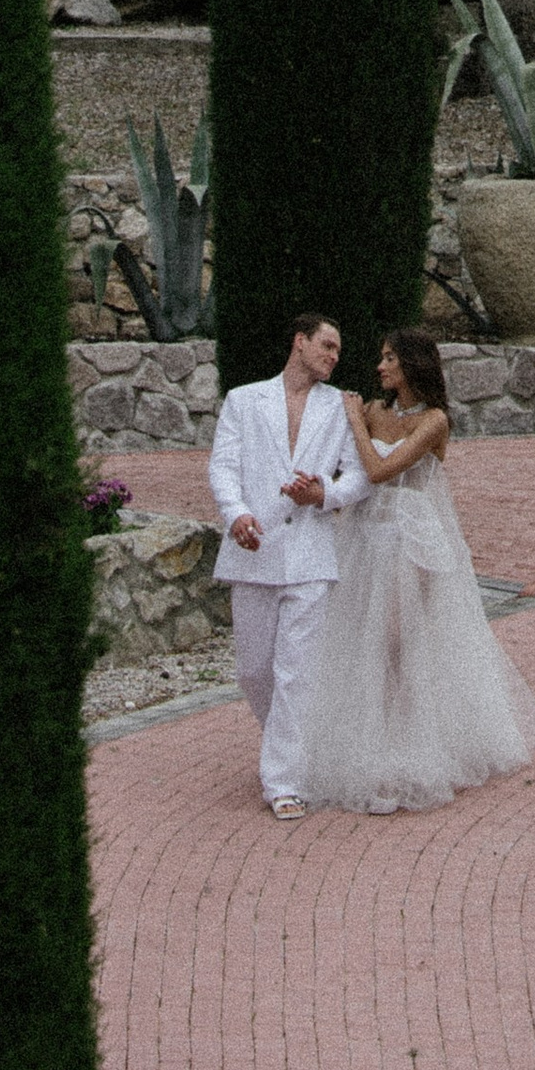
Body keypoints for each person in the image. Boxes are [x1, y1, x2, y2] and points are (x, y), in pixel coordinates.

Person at [292, 326, 535, 813]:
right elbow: (346, 469)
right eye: (381, 357)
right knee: (364, 639)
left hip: (416, 538)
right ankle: (368, 750)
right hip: (368, 535)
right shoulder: (373, 411)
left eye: (390, 358)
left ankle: (409, 753)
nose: (380, 366)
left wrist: (355, 421)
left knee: (399, 638)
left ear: (412, 364)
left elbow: (377, 471)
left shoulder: (433, 421)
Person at [207, 307, 373, 818]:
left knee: (295, 673)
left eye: (338, 350)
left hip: (310, 554)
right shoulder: (243, 399)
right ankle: (290, 747)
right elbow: (223, 467)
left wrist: (322, 494)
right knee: (255, 672)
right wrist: (236, 515)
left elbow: (358, 477)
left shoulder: (340, 408)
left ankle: (283, 781)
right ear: (299, 342)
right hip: (253, 550)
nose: (334, 356)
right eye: (327, 345)